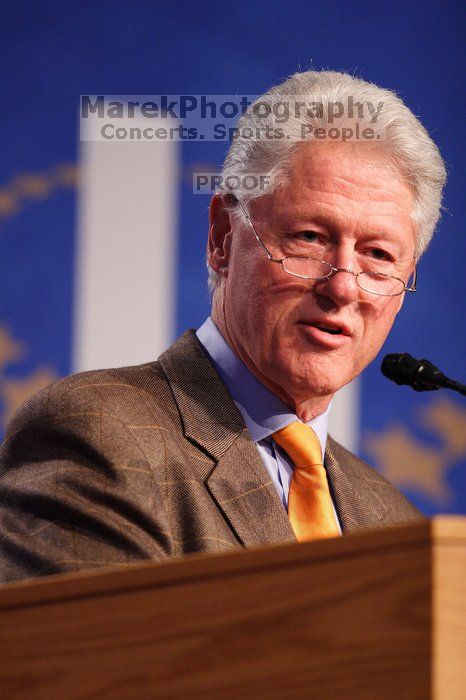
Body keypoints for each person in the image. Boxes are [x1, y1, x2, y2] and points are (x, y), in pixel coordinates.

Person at [0, 70, 446, 584]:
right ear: (222, 237)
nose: (343, 287)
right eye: (309, 236)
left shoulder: (393, 520)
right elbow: (93, 662)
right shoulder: (101, 434)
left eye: (378, 255)